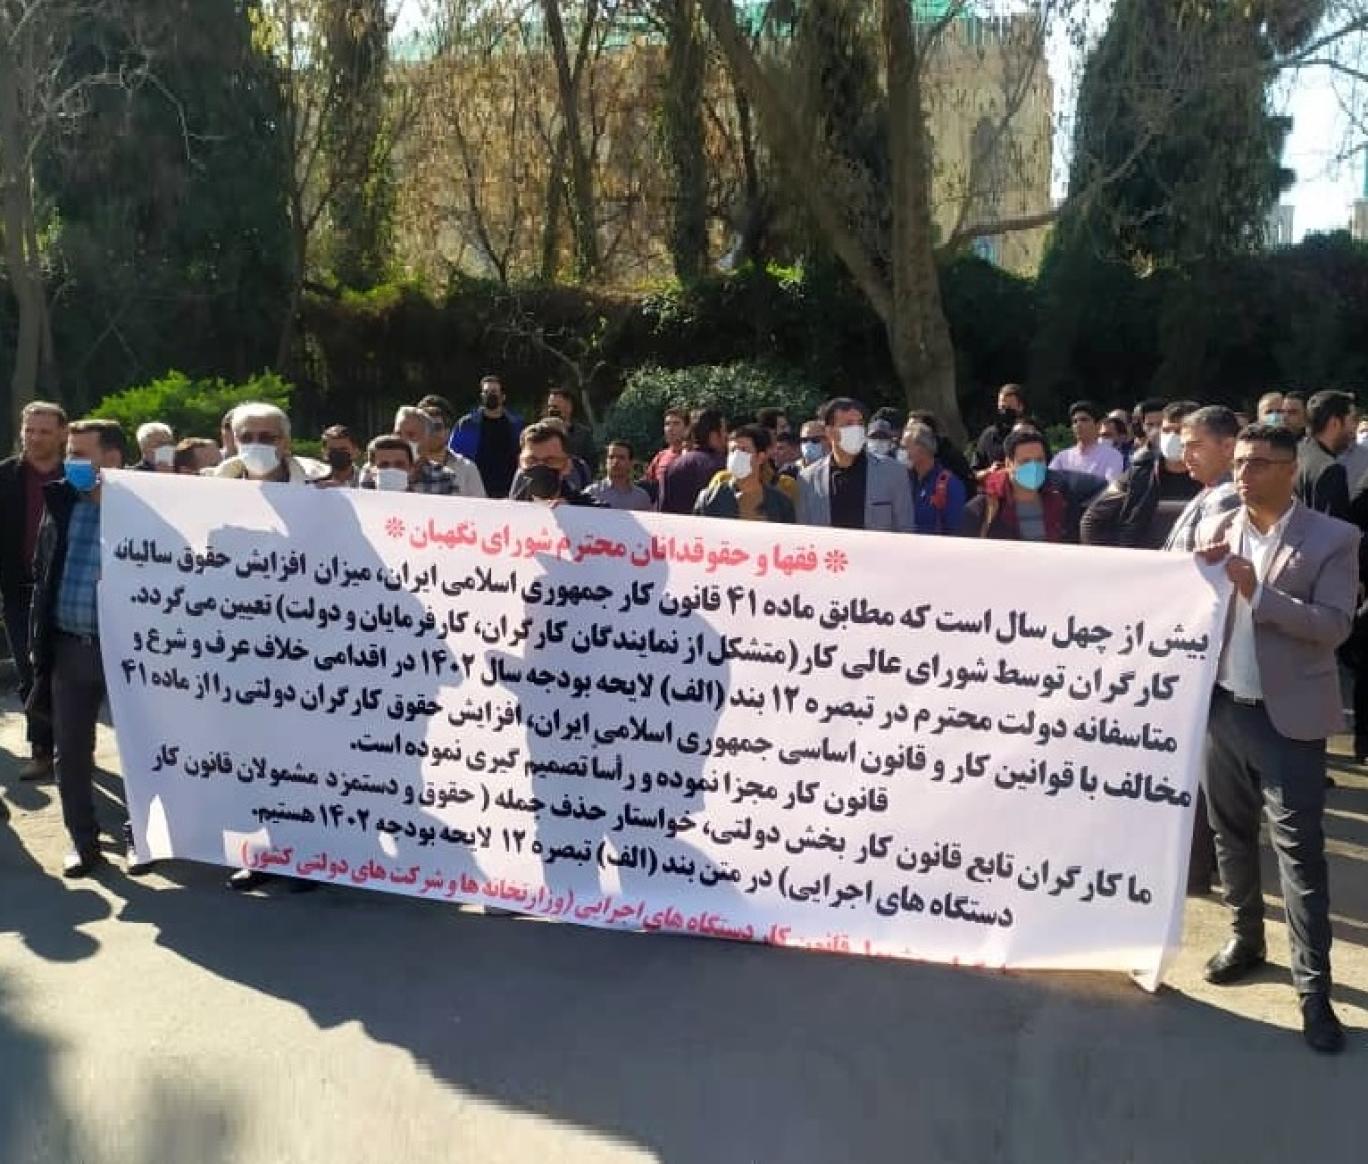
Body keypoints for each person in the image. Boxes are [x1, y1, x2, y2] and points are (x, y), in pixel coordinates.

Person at [1195, 423, 1358, 1054]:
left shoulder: (1333, 539)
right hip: (1223, 710)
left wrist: (1256, 592)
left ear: (1291, 470)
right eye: (1239, 461)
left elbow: (1333, 625)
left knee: (1300, 858)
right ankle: (1246, 938)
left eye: (1259, 463)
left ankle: (1314, 992)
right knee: (1230, 836)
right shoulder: (1216, 525)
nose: (1244, 473)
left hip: (1287, 722)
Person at [26, 420, 140, 876]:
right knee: (70, 751)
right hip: (70, 646)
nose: (69, 461)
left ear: (112, 458)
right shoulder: (62, 500)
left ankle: (140, 839)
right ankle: (83, 842)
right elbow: (44, 570)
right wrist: (39, 641)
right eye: (69, 452)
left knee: (139, 752)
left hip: (130, 651)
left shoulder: (144, 506)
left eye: (79, 454)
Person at [1159, 405, 1243, 895]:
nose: (1185, 454)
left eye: (1195, 445)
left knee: (1196, 769)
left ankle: (1196, 868)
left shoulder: (1226, 499)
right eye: (1183, 444)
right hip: (1189, 646)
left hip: (1201, 653)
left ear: (1227, 446)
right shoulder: (1209, 493)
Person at [0, 401, 68, 780]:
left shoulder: (78, 475)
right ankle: (41, 750)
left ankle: (73, 749)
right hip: (19, 592)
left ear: (62, 433)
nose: (35, 437)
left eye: (44, 431)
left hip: (69, 589)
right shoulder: (5, 476)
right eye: (29, 430)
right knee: (30, 672)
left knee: (72, 674)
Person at [1080, 401, 1202, 549]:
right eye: (1166, 430)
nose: (1171, 437)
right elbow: (1092, 520)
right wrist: (1110, 557)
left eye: (1178, 431)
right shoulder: (1139, 473)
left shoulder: (1212, 477)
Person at [796, 397, 915, 532]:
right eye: (848, 424)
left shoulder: (893, 472)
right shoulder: (808, 479)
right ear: (830, 432)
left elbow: (905, 529)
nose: (856, 430)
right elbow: (804, 533)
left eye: (860, 424)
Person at [964, 429, 1083, 542]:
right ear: (1008, 464)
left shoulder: (1062, 502)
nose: (1034, 467)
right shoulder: (982, 509)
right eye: (1026, 461)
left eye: (1039, 460)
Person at [694, 424, 795, 522]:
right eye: (732, 450)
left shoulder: (781, 504)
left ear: (760, 457)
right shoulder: (708, 499)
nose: (736, 455)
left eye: (744, 450)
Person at [450, 375, 523, 499]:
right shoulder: (467, 424)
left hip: (510, 492)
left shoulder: (517, 425)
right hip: (475, 491)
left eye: (494, 392)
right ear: (481, 396)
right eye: (486, 392)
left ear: (503, 396)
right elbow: (454, 455)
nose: (490, 395)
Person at [214, 404, 320, 484]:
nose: (255, 444)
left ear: (286, 442)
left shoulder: (318, 483)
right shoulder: (214, 484)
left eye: (266, 438)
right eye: (246, 438)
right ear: (235, 441)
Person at [395, 406, 486, 497]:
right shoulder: (387, 469)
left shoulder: (448, 477)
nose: (403, 440)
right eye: (398, 434)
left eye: (411, 435)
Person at [1294, 389, 1355, 522]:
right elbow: (1333, 528)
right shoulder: (1331, 470)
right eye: (1351, 420)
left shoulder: (1294, 453)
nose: (1353, 428)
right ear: (1335, 423)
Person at [509, 422, 601, 506]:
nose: (540, 466)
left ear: (567, 465)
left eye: (550, 461)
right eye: (531, 460)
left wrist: (572, 512)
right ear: (520, 463)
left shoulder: (591, 510)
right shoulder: (507, 510)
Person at [659, 407, 727, 515]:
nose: (726, 436)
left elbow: (664, 509)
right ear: (713, 435)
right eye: (724, 430)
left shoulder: (674, 465)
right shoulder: (723, 467)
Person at [903, 422, 965, 536]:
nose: (902, 453)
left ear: (922, 449)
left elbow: (955, 530)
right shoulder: (902, 480)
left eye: (905, 447)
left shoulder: (949, 484)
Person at [415, 396, 486, 495]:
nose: (431, 433)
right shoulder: (405, 466)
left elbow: (479, 503)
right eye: (426, 427)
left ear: (447, 431)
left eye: (437, 427)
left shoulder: (467, 468)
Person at [1050, 400, 1124, 483]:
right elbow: (1049, 484)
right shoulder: (1061, 457)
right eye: (1075, 421)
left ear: (1098, 425)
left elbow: (1110, 487)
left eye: (1084, 420)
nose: (1078, 425)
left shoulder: (1112, 456)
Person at [971, 383, 1025, 473]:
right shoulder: (989, 436)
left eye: (1009, 407)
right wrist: (989, 471)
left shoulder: (1031, 434)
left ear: (1020, 407)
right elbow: (974, 472)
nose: (1005, 412)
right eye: (1002, 407)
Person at [585, 441, 652, 510]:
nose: (615, 462)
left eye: (621, 458)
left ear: (631, 463)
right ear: (606, 462)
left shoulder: (641, 498)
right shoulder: (592, 493)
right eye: (611, 457)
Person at [544, 388, 597, 468]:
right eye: (549, 407)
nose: (551, 410)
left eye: (555, 407)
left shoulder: (583, 435)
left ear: (569, 407)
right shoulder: (539, 433)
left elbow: (591, 464)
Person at [643, 407, 688, 493]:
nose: (670, 428)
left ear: (686, 428)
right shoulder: (660, 457)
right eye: (667, 424)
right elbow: (647, 486)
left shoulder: (694, 456)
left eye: (676, 423)